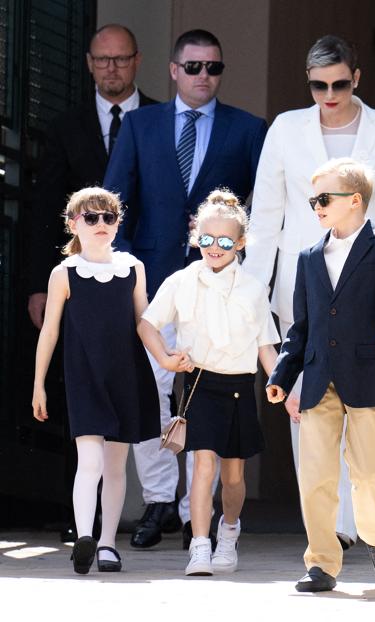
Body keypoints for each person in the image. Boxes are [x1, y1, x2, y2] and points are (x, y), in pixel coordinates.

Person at [246, 34, 375, 549]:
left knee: (364, 413)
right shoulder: (285, 129)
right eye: (318, 85)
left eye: (340, 83)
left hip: (371, 291)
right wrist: (251, 295)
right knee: (308, 413)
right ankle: (327, 532)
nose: (329, 94)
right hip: (304, 287)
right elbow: (265, 218)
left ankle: (357, 522)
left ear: (358, 79)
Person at [104, 29, 267, 549]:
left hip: (219, 284)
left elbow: (263, 209)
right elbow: (115, 201)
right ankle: (159, 502)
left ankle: (193, 510)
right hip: (157, 283)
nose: (204, 76)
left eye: (213, 68)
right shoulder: (140, 124)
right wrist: (126, 268)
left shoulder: (247, 130)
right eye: (193, 67)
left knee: (211, 395)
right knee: (150, 389)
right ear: (173, 69)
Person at [267, 158, 375, 592]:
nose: (316, 205)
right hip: (320, 378)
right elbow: (301, 327)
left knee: (368, 475)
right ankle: (321, 562)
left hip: (370, 375)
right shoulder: (308, 257)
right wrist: (283, 374)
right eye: (312, 199)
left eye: (324, 198)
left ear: (354, 200)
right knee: (315, 474)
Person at [27, 23, 157, 543]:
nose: (112, 68)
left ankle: (121, 529)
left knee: (121, 443)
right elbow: (43, 209)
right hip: (79, 294)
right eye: (102, 60)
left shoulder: (157, 119)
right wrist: (41, 284)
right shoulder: (64, 126)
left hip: (130, 275)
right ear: (87, 63)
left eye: (121, 59)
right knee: (84, 434)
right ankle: (80, 526)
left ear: (137, 60)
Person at [138, 190, 279, 576]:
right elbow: (147, 323)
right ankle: (199, 545)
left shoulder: (252, 288)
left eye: (223, 241)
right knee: (202, 465)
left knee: (233, 475)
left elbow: (265, 343)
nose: (213, 248)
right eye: (206, 239)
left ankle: (228, 531)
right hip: (199, 383)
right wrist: (167, 358)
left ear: (240, 243)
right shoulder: (181, 281)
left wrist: (281, 383)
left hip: (239, 386)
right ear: (194, 236)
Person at [32, 187, 161, 574]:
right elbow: (50, 331)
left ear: (118, 222)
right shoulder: (65, 273)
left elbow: (145, 322)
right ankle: (85, 537)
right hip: (84, 376)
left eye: (109, 217)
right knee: (89, 461)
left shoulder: (133, 268)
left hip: (126, 375)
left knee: (116, 465)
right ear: (74, 224)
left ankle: (107, 544)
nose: (101, 224)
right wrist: (38, 383)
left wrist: (168, 359)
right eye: (91, 218)